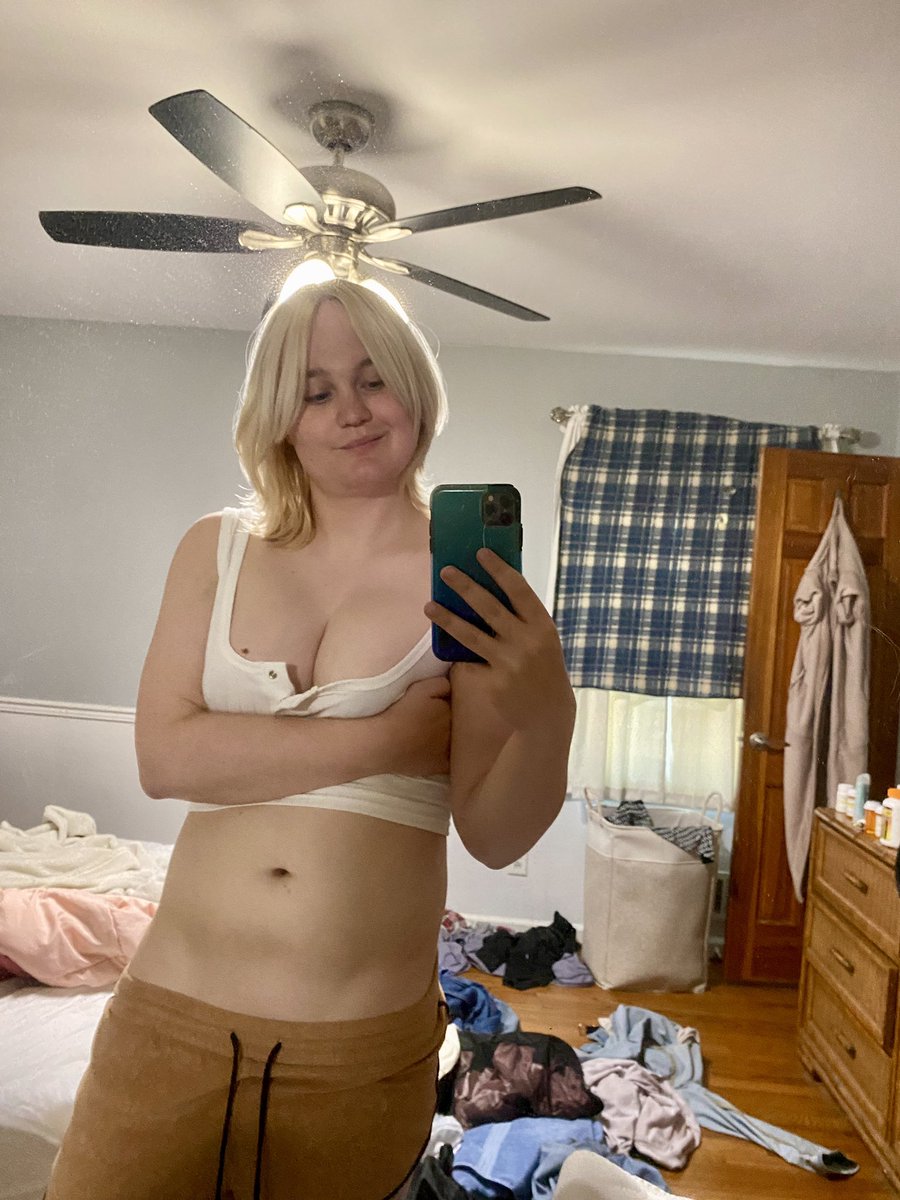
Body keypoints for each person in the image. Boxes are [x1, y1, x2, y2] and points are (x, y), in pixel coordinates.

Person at [44, 279, 576, 1200]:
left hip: (358, 1051)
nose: (351, 411)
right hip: (167, 1020)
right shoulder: (214, 548)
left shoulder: (467, 583)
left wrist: (550, 710)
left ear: (416, 388)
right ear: (280, 417)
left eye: (373, 379)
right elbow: (166, 759)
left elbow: (494, 834)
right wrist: (385, 740)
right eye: (315, 390)